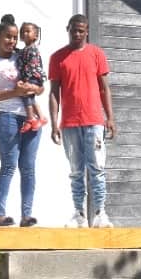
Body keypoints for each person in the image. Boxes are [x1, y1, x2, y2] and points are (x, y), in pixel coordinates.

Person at [48, 13, 117, 228]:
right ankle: (79, 214)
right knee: (76, 170)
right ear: (67, 29)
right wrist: (54, 123)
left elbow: (105, 88)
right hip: (69, 123)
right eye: (73, 29)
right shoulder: (57, 57)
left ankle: (100, 214)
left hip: (94, 121)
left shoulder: (97, 54)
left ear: (87, 31)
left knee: (97, 168)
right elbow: (53, 92)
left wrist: (110, 118)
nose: (77, 33)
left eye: (81, 30)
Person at [0, 14, 44, 227]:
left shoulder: (23, 56)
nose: (12, 41)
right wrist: (14, 91)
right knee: (9, 166)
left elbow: (39, 87)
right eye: (8, 37)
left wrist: (34, 89)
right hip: (6, 118)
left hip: (30, 118)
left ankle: (26, 215)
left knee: (29, 168)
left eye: (15, 38)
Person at [15, 21, 48, 133]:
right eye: (23, 31)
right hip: (31, 77)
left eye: (28, 31)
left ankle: (30, 119)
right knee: (31, 99)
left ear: (36, 36)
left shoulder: (32, 49)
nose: (25, 33)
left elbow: (31, 66)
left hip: (33, 77)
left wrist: (26, 81)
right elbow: (21, 54)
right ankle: (41, 117)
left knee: (26, 96)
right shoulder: (26, 49)